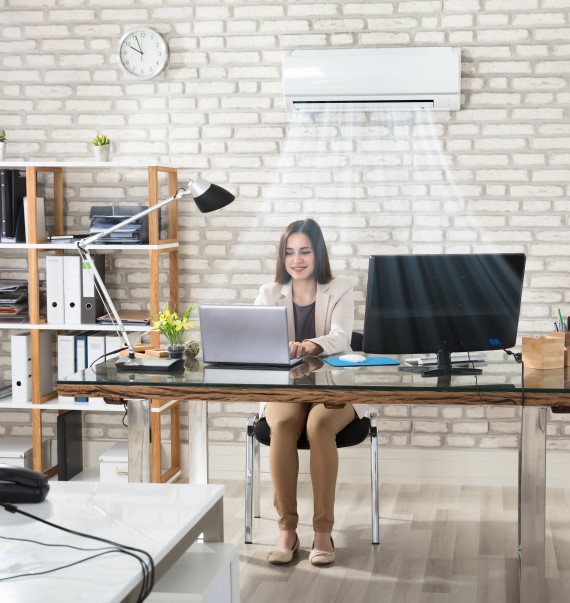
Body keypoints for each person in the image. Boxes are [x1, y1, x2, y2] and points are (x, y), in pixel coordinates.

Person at [254, 218, 367, 566]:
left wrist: (311, 345)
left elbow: (341, 337)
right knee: (284, 424)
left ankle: (322, 531)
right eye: (289, 252)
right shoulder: (269, 293)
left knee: (318, 425)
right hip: (286, 392)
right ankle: (287, 530)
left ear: (317, 253)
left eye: (304, 250)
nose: (296, 259)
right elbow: (254, 338)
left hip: (332, 391)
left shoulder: (341, 287)